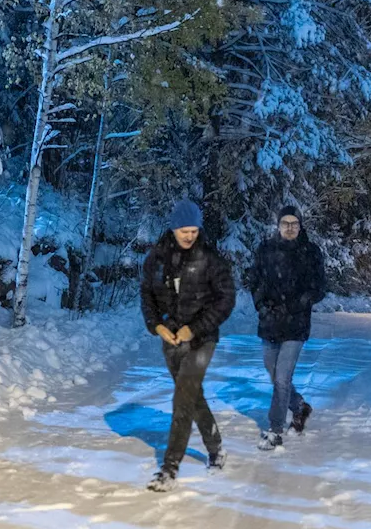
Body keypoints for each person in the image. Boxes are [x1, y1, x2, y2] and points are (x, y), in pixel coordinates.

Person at [139, 200, 236, 492]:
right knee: (191, 396)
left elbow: (226, 299)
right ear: (173, 228)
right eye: (184, 230)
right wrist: (156, 324)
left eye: (194, 230)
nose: (189, 236)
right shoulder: (156, 258)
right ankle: (215, 445)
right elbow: (147, 294)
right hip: (171, 339)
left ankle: (169, 469)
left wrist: (193, 328)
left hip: (202, 339)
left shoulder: (210, 259)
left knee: (183, 398)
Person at [247, 205, 326, 451]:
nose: (290, 228)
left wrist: (302, 301)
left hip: (295, 324)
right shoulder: (266, 249)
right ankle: (299, 406)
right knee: (273, 374)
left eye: (294, 223)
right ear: (278, 225)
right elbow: (255, 280)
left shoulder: (310, 252)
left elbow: (320, 287)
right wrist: (261, 305)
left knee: (282, 377)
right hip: (269, 322)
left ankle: (275, 429)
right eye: (285, 223)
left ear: (300, 226)